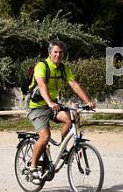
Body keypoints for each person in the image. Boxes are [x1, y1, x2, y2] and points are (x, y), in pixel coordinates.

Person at [26, 40, 96, 181]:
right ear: (50, 53)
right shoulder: (42, 66)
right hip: (37, 107)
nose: (58, 55)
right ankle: (32, 168)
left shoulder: (64, 68)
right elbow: (41, 85)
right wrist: (50, 102)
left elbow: (74, 84)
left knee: (70, 119)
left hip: (53, 105)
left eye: (60, 52)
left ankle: (63, 149)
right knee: (45, 137)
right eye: (55, 52)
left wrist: (88, 101)